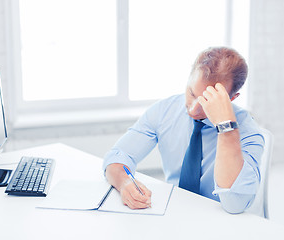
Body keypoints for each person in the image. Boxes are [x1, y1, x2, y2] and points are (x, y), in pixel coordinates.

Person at [102, 47, 264, 214]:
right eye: (192, 93)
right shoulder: (164, 111)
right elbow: (117, 156)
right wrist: (124, 183)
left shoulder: (248, 131)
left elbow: (235, 204)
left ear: (231, 98)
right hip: (174, 211)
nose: (193, 110)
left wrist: (226, 128)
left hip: (221, 220)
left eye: (207, 100)